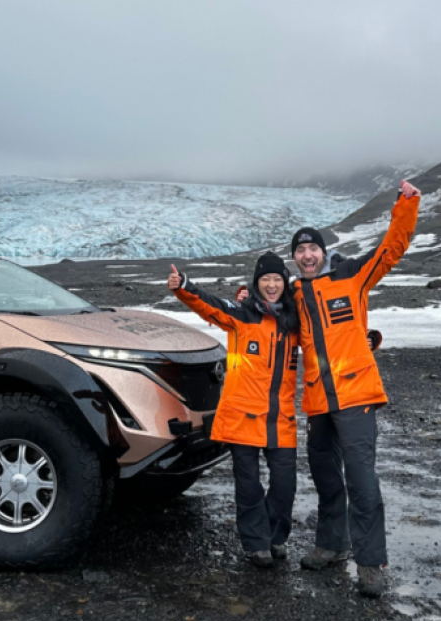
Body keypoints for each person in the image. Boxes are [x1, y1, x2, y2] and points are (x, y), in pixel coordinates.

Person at [292, 179, 420, 598]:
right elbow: (264, 319)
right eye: (300, 250)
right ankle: (331, 546)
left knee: (363, 483)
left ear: (323, 252)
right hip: (317, 401)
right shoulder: (293, 295)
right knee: (327, 478)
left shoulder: (352, 276)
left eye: (313, 248)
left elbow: (391, 249)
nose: (307, 255)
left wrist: (406, 206)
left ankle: (371, 563)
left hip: (356, 399)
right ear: (295, 259)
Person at [168, 252, 300, 568]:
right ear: (256, 283)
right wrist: (183, 286)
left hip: (280, 420)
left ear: (285, 283)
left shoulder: (294, 324)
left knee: (285, 485)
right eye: (265, 279)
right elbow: (209, 305)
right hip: (242, 417)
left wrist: (365, 341)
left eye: (277, 279)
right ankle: (256, 544)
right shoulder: (242, 315)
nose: (271, 285)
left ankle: (276, 536)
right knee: (249, 485)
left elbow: (326, 341)